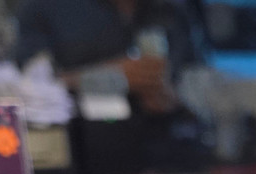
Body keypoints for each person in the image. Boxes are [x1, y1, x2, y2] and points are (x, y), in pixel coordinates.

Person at [15, 0, 202, 114]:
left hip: (170, 146)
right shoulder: (44, 7)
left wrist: (174, 94)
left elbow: (196, 75)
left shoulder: (173, 8)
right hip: (85, 148)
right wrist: (108, 77)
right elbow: (23, 86)